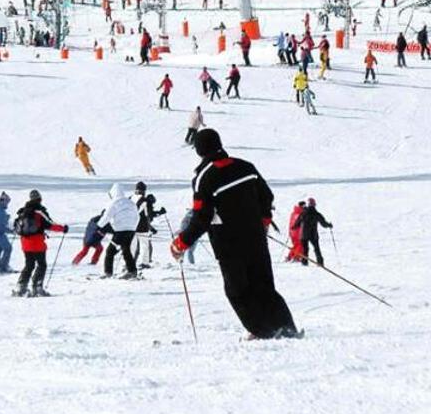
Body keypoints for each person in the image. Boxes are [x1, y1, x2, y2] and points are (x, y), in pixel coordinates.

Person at [171, 129, 298, 339]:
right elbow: (266, 196)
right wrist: (264, 221)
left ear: (199, 150)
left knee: (238, 291)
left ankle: (262, 331)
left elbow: (202, 216)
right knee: (264, 286)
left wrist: (181, 243)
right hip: (256, 238)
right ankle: (287, 328)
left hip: (228, 244)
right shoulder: (245, 166)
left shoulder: (204, 177)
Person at [11, 190, 67, 297]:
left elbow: (16, 226)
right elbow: (50, 225)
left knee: (29, 265)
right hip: (37, 243)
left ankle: (21, 286)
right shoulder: (40, 212)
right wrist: (63, 228)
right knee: (42, 265)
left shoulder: (23, 211)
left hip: (25, 243)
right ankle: (37, 286)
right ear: (40, 199)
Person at [99, 183, 140, 278]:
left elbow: (107, 216)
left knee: (110, 251)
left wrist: (99, 226)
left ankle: (108, 272)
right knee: (126, 250)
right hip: (131, 230)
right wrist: (133, 228)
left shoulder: (114, 203)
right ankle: (132, 271)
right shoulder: (130, 202)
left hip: (120, 231)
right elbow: (137, 216)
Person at [298, 198, 332, 266]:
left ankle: (304, 262)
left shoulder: (303, 213)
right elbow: (323, 224)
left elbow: (297, 223)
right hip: (313, 234)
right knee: (316, 249)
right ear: (314, 205)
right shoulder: (316, 214)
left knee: (305, 249)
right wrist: (329, 225)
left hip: (303, 235)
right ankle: (320, 262)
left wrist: (293, 227)